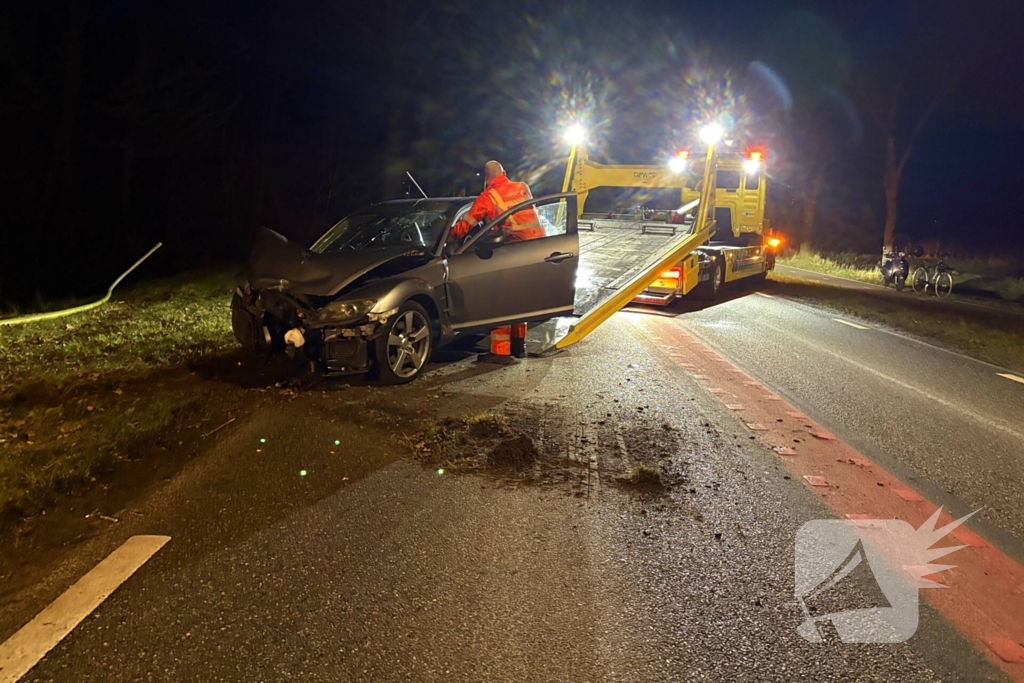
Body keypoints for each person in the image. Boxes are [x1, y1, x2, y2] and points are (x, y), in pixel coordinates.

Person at [451, 161, 545, 242]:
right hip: (542, 241)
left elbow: (465, 226)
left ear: (486, 179)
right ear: (504, 173)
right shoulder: (522, 186)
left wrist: (446, 237)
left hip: (517, 247)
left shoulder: (487, 197)